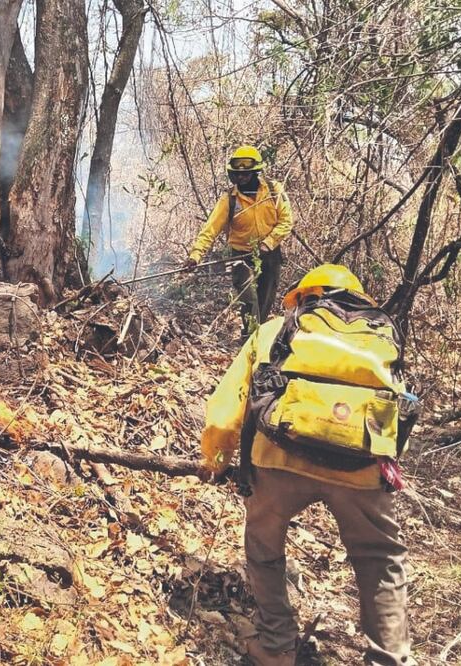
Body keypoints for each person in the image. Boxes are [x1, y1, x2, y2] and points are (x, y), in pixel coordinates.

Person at [198, 264, 416, 666]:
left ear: (302, 296)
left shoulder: (275, 330)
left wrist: (216, 461)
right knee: (380, 559)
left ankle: (277, 647)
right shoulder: (378, 338)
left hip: (280, 457)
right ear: (356, 299)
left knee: (264, 548)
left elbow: (224, 414)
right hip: (361, 467)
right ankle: (389, 659)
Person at [185, 145, 294, 341]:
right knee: (248, 300)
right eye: (237, 174)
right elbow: (210, 229)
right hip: (241, 257)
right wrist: (195, 255)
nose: (241, 178)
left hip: (270, 255)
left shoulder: (273, 190)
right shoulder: (229, 199)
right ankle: (250, 340)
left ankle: (257, 339)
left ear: (255, 172)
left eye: (246, 174)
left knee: (265, 300)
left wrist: (268, 243)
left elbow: (286, 221)